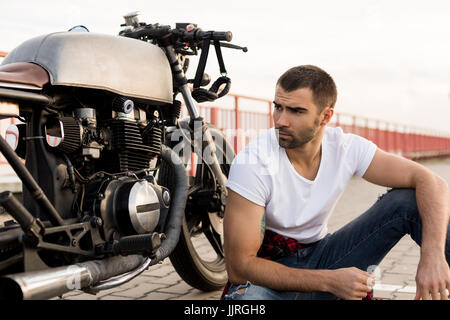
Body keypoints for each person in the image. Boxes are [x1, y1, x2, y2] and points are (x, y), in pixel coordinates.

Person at [222, 65, 450, 300]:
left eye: (296, 111)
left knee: (408, 201)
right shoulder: (253, 162)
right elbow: (239, 268)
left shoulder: (345, 147)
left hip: (323, 257)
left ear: (326, 116)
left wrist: (433, 256)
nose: (281, 120)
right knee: (246, 302)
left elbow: (432, 181)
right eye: (278, 107)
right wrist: (330, 281)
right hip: (269, 274)